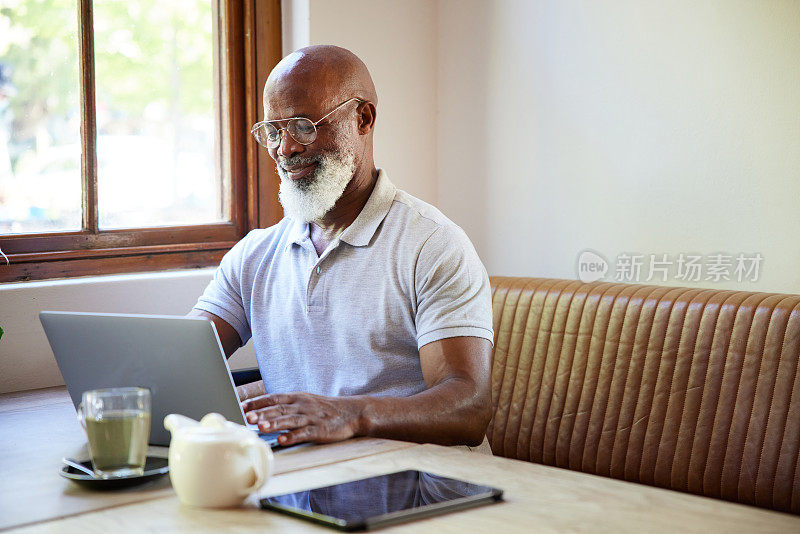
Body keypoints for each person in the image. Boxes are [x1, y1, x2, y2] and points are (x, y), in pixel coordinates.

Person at [190, 45, 494, 450]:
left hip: (421, 497)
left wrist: (352, 414)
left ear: (363, 118)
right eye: (274, 131)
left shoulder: (433, 245)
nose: (285, 149)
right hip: (300, 486)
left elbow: (469, 408)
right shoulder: (253, 256)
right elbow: (181, 357)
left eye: (303, 125)